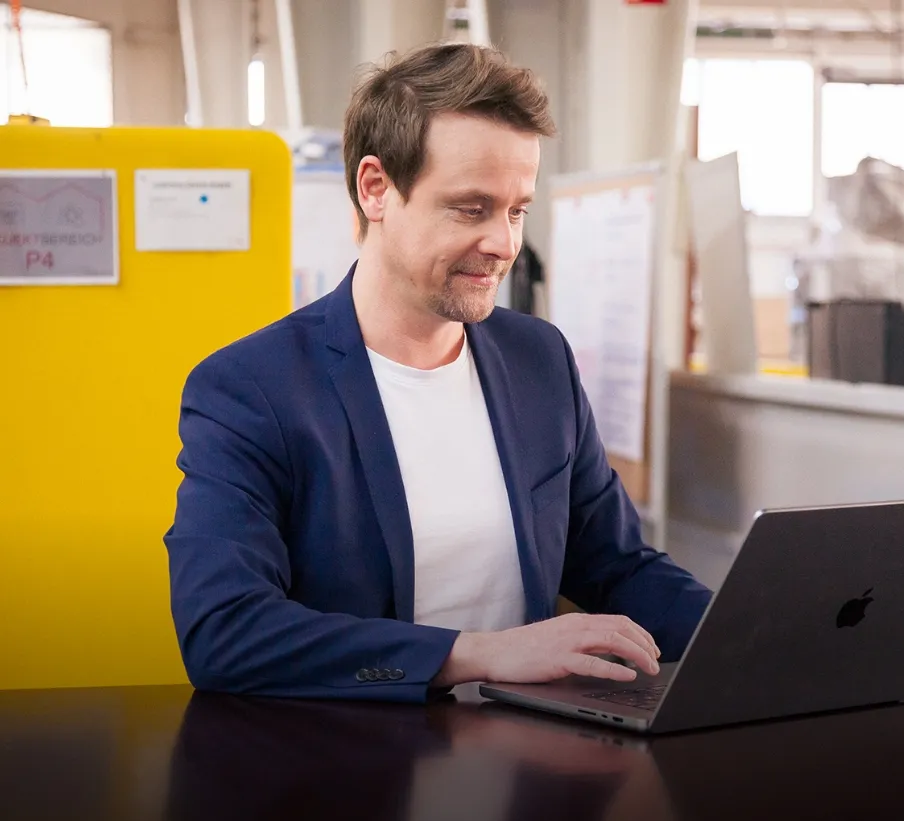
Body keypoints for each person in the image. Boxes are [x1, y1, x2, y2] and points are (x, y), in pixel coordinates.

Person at [165, 42, 712, 702]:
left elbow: (616, 565)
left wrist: (755, 638)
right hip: (345, 770)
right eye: (471, 208)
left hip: (524, 767)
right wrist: (477, 654)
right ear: (376, 189)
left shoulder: (539, 360)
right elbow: (225, 631)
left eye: (517, 211)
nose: (504, 244)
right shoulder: (253, 388)